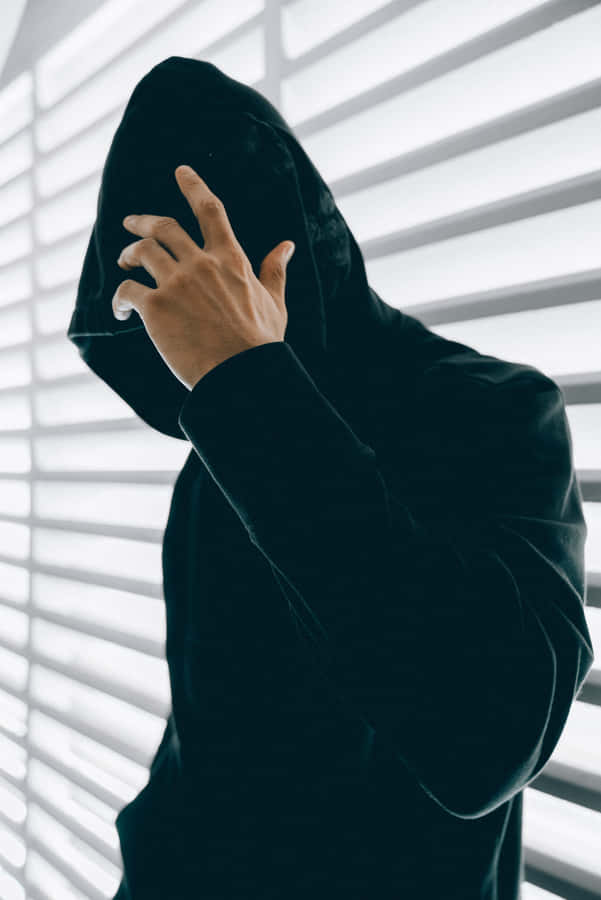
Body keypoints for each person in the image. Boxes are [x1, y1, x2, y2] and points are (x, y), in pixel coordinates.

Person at [67, 56, 594, 900]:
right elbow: (214, 738)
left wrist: (245, 384)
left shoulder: (488, 410)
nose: (176, 372)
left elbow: (486, 739)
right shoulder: (219, 447)